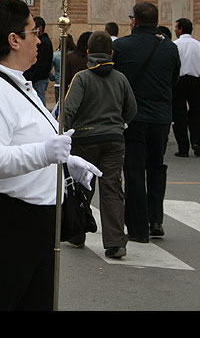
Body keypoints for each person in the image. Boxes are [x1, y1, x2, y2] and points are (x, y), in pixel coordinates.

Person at [0, 0, 100, 310]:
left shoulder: (17, 85)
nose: (40, 40)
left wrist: (66, 163)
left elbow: (25, 139)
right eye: (34, 32)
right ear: (13, 40)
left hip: (27, 226)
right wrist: (45, 154)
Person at [62, 31, 137, 258]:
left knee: (83, 186)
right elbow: (131, 109)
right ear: (111, 53)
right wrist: (119, 124)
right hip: (114, 140)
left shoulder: (82, 78)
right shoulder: (120, 78)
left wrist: (65, 132)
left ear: (88, 53)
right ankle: (115, 242)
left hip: (84, 140)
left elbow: (68, 109)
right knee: (112, 189)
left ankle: (77, 232)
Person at [113, 2, 180, 242]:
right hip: (161, 117)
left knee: (133, 170)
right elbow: (174, 79)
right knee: (156, 167)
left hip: (133, 118)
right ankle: (156, 219)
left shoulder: (120, 47)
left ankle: (138, 227)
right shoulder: (170, 48)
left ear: (133, 21)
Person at [172, 18, 200, 157]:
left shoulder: (175, 45)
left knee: (179, 115)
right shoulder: (198, 45)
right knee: (196, 113)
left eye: (176, 27)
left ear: (181, 29)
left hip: (179, 82)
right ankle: (197, 142)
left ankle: (183, 148)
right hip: (196, 81)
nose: (175, 30)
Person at [23, 16, 53, 106]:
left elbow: (41, 64)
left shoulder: (43, 43)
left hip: (39, 80)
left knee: (39, 102)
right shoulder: (45, 42)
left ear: (39, 28)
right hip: (38, 78)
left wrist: (32, 77)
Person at [50, 33, 75, 103]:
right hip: (72, 84)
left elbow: (49, 70)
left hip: (58, 83)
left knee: (59, 106)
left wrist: (53, 78)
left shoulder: (56, 55)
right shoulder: (74, 55)